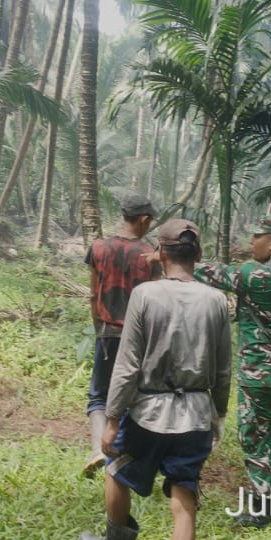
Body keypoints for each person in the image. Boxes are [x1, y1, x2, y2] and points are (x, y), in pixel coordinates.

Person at [78, 218, 231, 540]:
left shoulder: (145, 295)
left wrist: (112, 419)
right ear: (198, 255)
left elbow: (127, 364)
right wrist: (218, 414)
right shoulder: (216, 300)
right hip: (195, 415)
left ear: (160, 254)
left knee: (116, 468)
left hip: (148, 412)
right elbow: (222, 367)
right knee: (185, 503)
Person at [195, 216, 271, 526]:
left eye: (256, 236)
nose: (251, 242)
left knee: (254, 437)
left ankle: (262, 510)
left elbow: (211, 273)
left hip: (260, 372)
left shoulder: (256, 274)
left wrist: (171, 255)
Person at [83, 193, 160, 477]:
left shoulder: (99, 247)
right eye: (150, 220)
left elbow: (93, 294)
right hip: (138, 337)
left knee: (99, 395)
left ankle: (97, 448)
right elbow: (155, 300)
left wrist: (99, 329)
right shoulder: (149, 255)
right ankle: (125, 452)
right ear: (143, 219)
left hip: (107, 333)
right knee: (133, 393)